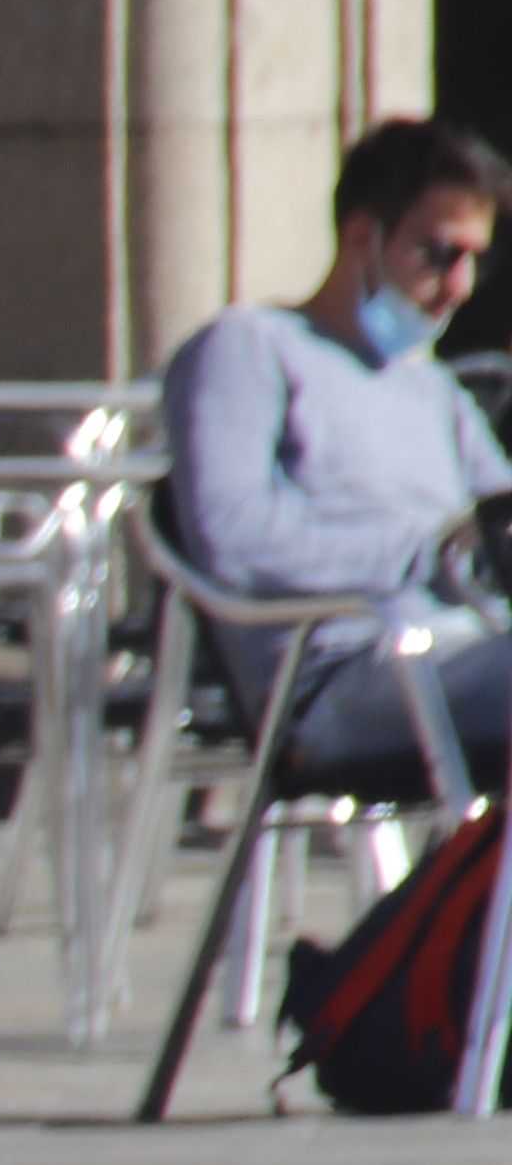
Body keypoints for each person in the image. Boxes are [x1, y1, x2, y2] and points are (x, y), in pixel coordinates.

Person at [155, 115, 512, 806]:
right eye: (439, 253)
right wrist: (430, 553)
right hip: (344, 677)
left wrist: (472, 550)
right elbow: (234, 538)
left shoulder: (428, 386)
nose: (462, 285)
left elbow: (497, 524)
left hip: (460, 652)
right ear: (362, 239)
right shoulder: (248, 348)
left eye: (479, 259)